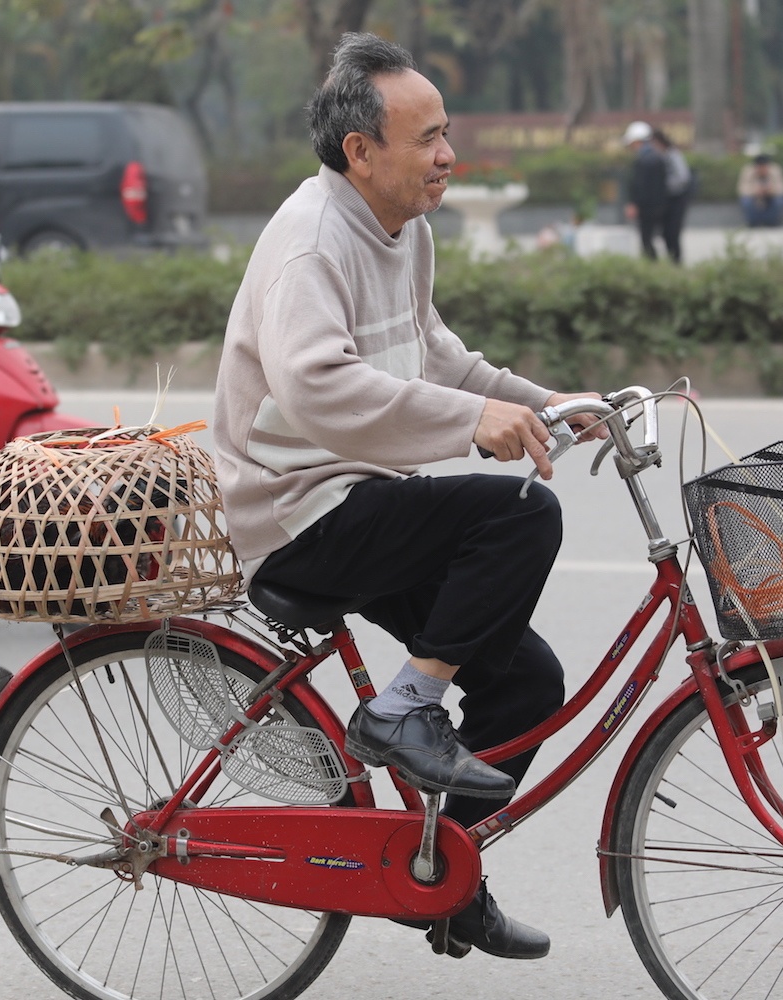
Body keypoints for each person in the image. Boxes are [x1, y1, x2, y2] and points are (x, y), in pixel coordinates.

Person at [213, 32, 607, 962]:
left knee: (527, 685)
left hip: (360, 497)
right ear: (361, 151)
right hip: (295, 512)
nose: (446, 155)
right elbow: (317, 385)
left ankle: (442, 876)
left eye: (445, 134)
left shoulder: (404, 232)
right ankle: (403, 710)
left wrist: (545, 403)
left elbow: (434, 351)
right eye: (426, 138)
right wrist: (473, 423)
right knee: (516, 513)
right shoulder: (313, 243)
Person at [622, 120, 669, 261]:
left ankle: (651, 265)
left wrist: (634, 204)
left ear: (637, 141)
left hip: (647, 207)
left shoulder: (645, 160)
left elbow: (640, 185)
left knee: (646, 239)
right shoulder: (657, 157)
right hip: (657, 206)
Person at [652, 127, 691, 263]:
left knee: (673, 232)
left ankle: (676, 261)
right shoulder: (660, 157)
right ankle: (671, 260)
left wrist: (663, 185)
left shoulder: (673, 155)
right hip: (666, 200)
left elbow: (683, 178)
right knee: (665, 233)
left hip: (677, 199)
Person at [738, 153, 783, 227]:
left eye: (764, 167)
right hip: (754, 197)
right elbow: (741, 189)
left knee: (780, 200)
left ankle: (771, 222)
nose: (762, 169)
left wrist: (770, 191)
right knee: (746, 201)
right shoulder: (748, 170)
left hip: (771, 197)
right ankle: (753, 222)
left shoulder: (775, 170)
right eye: (760, 167)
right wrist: (756, 191)